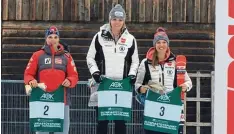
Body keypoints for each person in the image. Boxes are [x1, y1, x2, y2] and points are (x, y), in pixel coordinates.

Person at [86, 4, 139, 134]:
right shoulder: (99, 37)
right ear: (110, 19)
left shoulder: (130, 39)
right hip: (103, 84)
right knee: (102, 121)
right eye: (114, 19)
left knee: (120, 122)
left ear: (124, 21)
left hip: (122, 86)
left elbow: (135, 61)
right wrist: (96, 73)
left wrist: (132, 75)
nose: (117, 22)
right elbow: (90, 57)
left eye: (120, 20)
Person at [135, 27, 192, 134]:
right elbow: (137, 84)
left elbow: (188, 82)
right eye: (159, 42)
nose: (161, 45)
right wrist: (141, 89)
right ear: (155, 45)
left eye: (164, 42)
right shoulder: (145, 63)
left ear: (168, 44)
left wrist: (186, 86)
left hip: (172, 105)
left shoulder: (176, 62)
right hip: (153, 106)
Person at [24, 26, 79, 134]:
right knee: (42, 131)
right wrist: (31, 81)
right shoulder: (37, 55)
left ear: (58, 39)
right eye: (50, 37)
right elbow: (28, 74)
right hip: (42, 99)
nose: (52, 39)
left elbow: (74, 75)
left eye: (55, 37)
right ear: (46, 39)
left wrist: (70, 80)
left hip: (62, 100)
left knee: (62, 131)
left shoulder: (67, 56)